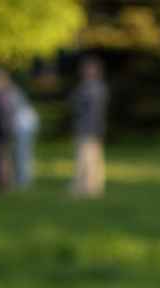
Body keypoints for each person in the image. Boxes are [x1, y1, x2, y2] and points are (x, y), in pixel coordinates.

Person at [69, 57, 107, 198]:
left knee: (87, 158)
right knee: (91, 158)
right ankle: (92, 187)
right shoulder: (94, 87)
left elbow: (91, 111)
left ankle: (86, 187)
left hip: (88, 129)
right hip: (90, 128)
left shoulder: (92, 88)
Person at [9, 84, 38, 190]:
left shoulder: (14, 97)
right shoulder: (17, 97)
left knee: (22, 155)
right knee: (21, 155)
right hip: (23, 129)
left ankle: (23, 179)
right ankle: (20, 178)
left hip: (23, 130)